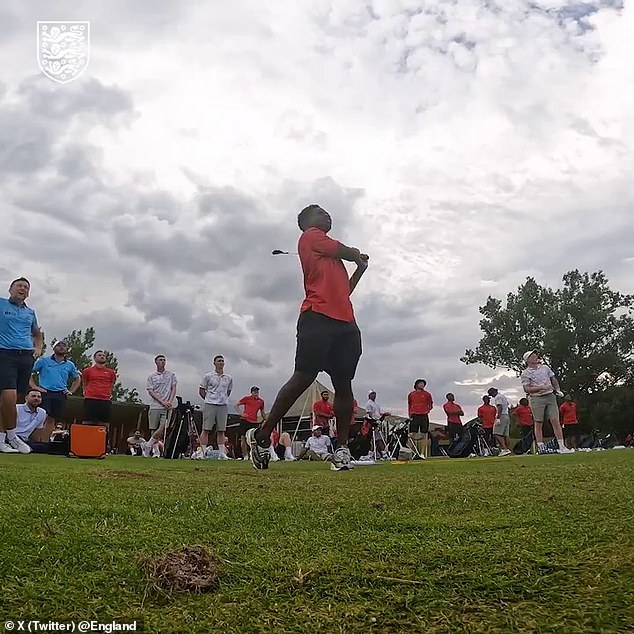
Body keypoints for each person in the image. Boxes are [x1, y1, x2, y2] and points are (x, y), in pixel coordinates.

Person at [245, 204, 368, 471]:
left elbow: (344, 292)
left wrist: (360, 269)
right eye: (322, 212)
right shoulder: (310, 236)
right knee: (304, 376)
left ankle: (343, 450)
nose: (328, 215)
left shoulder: (329, 258)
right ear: (308, 221)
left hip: (345, 321)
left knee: (344, 385)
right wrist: (356, 255)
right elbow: (347, 251)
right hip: (317, 317)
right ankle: (263, 435)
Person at [0, 277, 43, 454]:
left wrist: (38, 348)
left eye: (26, 287)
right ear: (10, 289)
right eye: (19, 285)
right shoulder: (1, 304)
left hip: (26, 356)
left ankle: (1, 440)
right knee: (8, 396)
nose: (22, 289)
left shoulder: (30, 312)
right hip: (5, 353)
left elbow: (37, 333)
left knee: (10, 400)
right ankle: (13, 436)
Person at [520, 350, 572, 454]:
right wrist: (540, 388)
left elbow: (553, 379)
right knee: (538, 422)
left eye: (535, 355)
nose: (535, 356)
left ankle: (562, 446)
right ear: (528, 360)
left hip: (550, 396)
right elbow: (527, 389)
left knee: (555, 420)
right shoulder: (525, 373)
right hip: (536, 398)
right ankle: (540, 446)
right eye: (532, 355)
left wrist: (558, 390)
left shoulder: (545, 368)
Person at [30, 339, 81, 433]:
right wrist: (35, 387)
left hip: (60, 394)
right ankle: (36, 441)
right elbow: (30, 372)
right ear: (54, 348)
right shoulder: (44, 361)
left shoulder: (70, 364)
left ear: (67, 349)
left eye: (64, 346)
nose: (61, 347)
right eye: (59, 345)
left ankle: (45, 443)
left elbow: (77, 378)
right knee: (41, 418)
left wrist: (71, 391)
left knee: (52, 419)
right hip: (45, 392)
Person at [199, 354, 233, 459]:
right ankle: (203, 451)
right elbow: (201, 390)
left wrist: (223, 399)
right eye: (219, 361)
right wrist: (209, 399)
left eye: (222, 361)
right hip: (210, 404)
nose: (221, 363)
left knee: (221, 430)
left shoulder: (228, 378)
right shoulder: (208, 376)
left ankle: (222, 453)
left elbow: (228, 391)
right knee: (206, 429)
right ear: (214, 363)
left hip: (222, 405)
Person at [146, 354, 177, 441]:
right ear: (156, 362)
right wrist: (162, 401)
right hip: (155, 405)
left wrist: (169, 401)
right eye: (160, 360)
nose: (162, 361)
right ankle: (154, 449)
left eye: (164, 360)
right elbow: (151, 391)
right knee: (153, 427)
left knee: (164, 427)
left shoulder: (171, 375)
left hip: (167, 406)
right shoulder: (152, 376)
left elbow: (173, 388)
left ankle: (150, 444)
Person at [81, 350, 117, 425]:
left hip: (105, 400)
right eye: (99, 355)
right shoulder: (88, 371)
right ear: (94, 358)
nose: (102, 356)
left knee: (104, 424)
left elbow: (112, 383)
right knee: (88, 422)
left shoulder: (111, 372)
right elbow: (84, 382)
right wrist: (85, 392)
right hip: (91, 399)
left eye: (103, 355)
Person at [236, 386, 266, 460]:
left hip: (254, 422)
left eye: (257, 392)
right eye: (254, 392)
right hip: (245, 420)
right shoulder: (247, 398)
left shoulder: (261, 401)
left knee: (254, 439)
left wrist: (266, 420)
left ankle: (253, 454)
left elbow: (262, 412)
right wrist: (241, 413)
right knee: (243, 438)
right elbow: (236, 405)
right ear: (251, 392)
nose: (256, 393)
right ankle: (245, 455)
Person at [407, 379, 433, 458]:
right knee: (412, 434)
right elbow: (409, 404)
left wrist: (427, 410)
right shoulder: (411, 394)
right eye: (420, 383)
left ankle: (422, 453)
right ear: (416, 384)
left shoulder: (427, 394)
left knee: (424, 434)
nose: (422, 385)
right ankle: (411, 453)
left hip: (424, 415)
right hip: (414, 415)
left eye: (423, 384)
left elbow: (430, 404)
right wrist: (410, 413)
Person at [487, 387, 512, 456]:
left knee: (496, 433)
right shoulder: (503, 396)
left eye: (491, 394)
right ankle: (508, 449)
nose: (491, 396)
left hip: (502, 416)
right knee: (505, 434)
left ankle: (504, 449)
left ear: (493, 392)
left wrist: (498, 417)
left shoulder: (498, 397)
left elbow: (499, 407)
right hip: (506, 415)